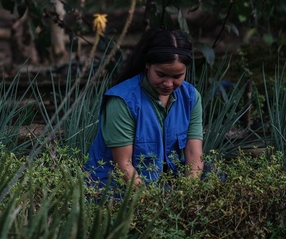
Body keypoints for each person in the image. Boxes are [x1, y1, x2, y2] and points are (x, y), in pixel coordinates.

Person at [84, 28, 203, 191]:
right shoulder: (122, 101)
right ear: (147, 64)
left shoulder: (191, 97)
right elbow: (123, 165)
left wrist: (189, 193)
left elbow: (194, 154)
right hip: (117, 187)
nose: (168, 84)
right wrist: (154, 203)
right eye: (161, 74)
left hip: (163, 182)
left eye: (177, 76)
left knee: (214, 175)